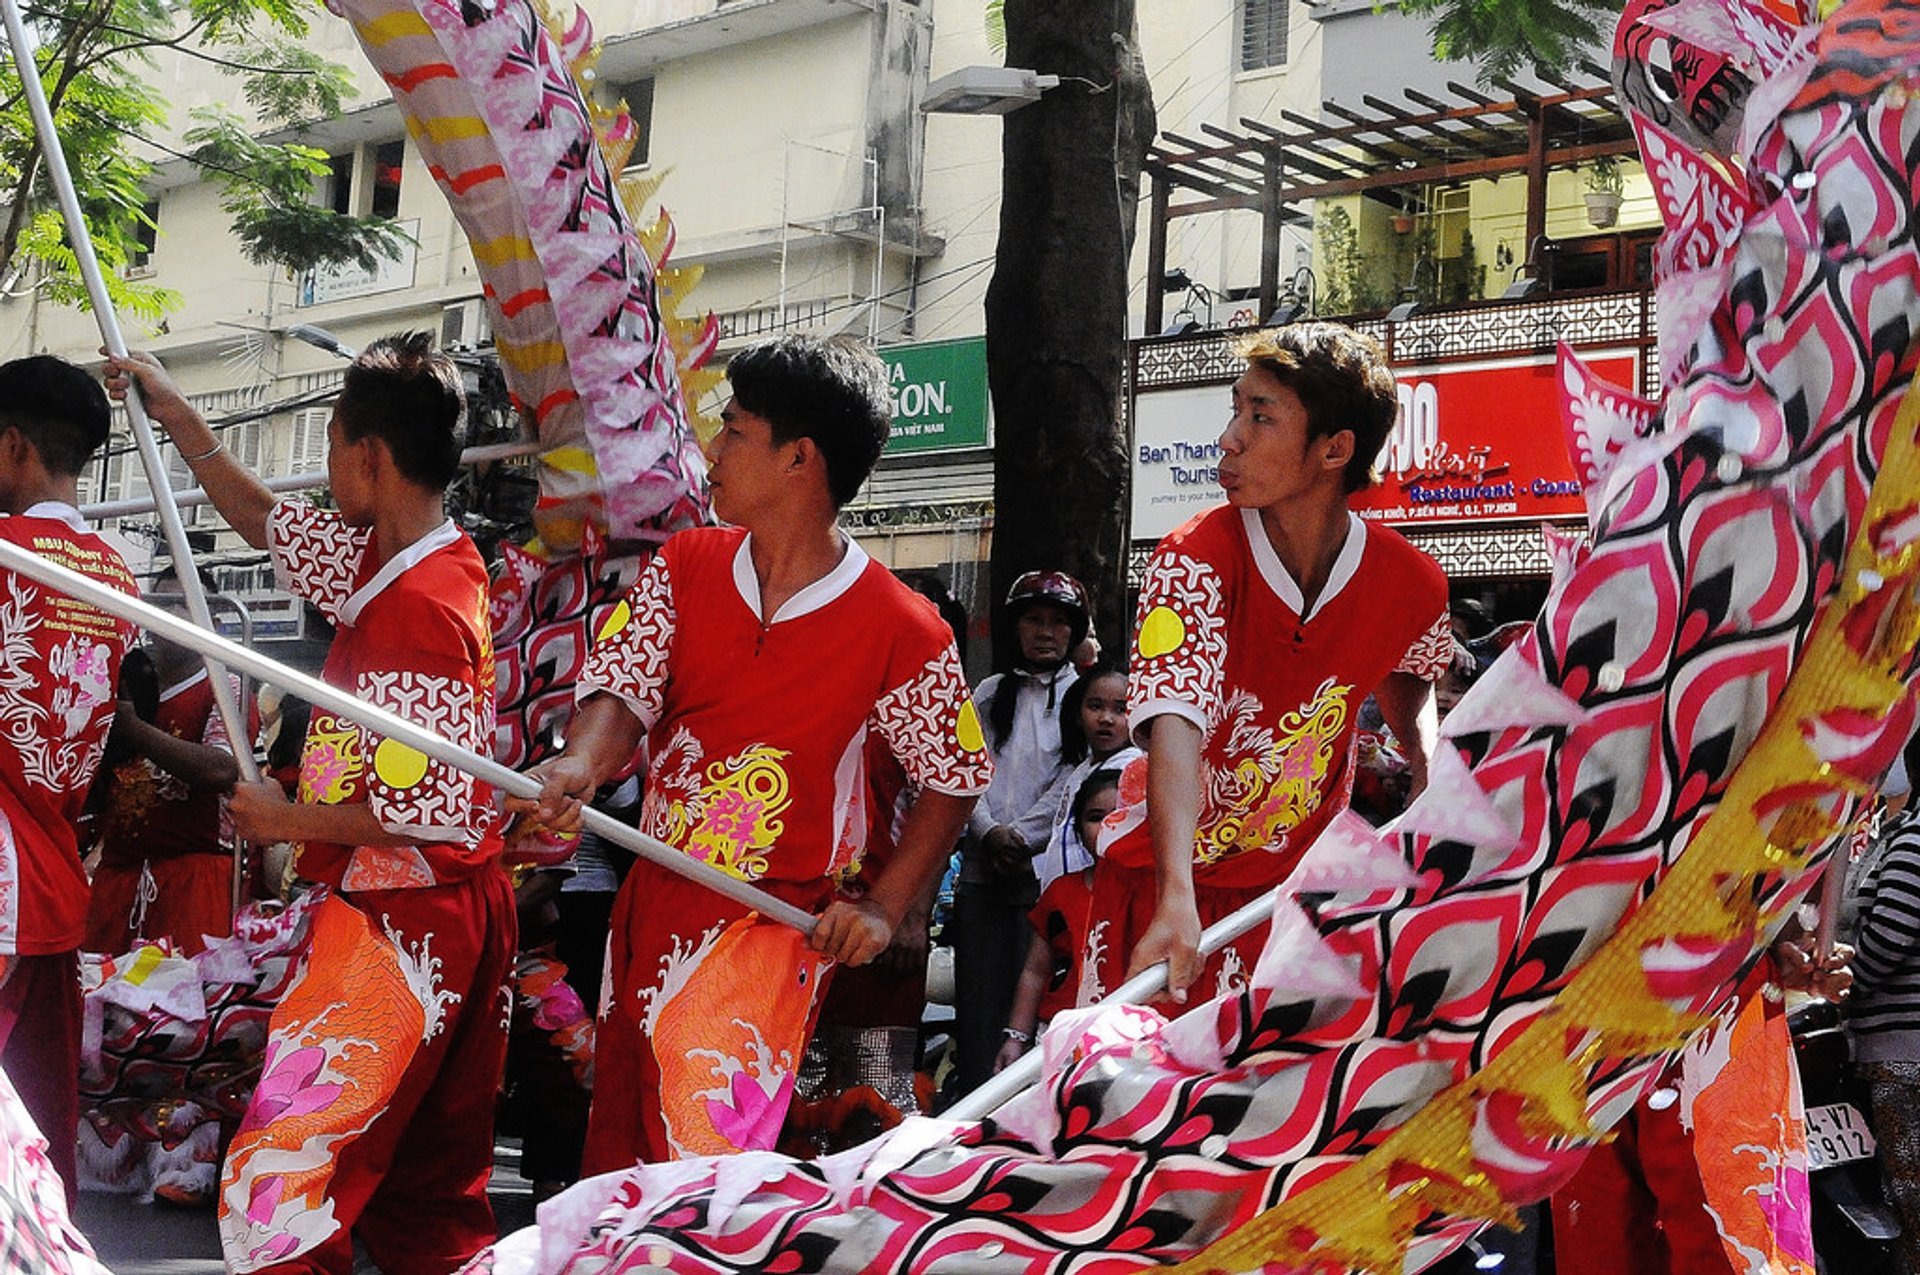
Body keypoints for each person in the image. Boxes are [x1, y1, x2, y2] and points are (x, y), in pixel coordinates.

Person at [518, 334, 991, 1170]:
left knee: (700, 1158)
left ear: (798, 458)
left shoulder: (903, 626)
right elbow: (625, 692)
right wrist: (578, 764)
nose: (711, 452)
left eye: (733, 430)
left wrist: (885, 905)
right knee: (624, 1149)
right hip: (651, 899)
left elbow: (953, 779)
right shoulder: (684, 566)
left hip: (770, 926)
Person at [108, 335, 515, 1274]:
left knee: (277, 1174)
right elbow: (263, 521)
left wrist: (287, 818)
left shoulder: (426, 600)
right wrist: (172, 413)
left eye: (331, 446)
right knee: (425, 1198)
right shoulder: (388, 559)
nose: (324, 470)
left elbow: (443, 806)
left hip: (403, 919)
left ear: (368, 455)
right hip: (421, 907)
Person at [1084, 323, 1453, 1008]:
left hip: (1294, 895)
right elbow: (1176, 722)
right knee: (1133, 1106)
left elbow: (1412, 676)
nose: (1229, 436)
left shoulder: (1414, 583)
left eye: (1260, 416)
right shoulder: (1192, 557)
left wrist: (1428, 774)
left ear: (1334, 450)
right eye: (1235, 409)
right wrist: (1176, 898)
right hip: (1163, 888)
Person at [0, 354, 141, 1205]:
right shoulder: (117, 575)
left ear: (13, 444)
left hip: (7, 857)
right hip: (55, 868)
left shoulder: (6, 553)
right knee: (41, 1116)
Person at [951, 571, 1086, 1094]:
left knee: (1036, 998)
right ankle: (973, 1105)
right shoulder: (989, 692)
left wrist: (1022, 835)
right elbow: (964, 768)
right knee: (978, 999)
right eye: (1034, 620)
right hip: (983, 876)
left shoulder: (1081, 697)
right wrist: (986, 831)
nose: (1045, 632)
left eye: (1057, 622)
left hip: (1043, 873)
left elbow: (1075, 776)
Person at [83, 567, 254, 960]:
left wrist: (131, 727)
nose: (172, 613)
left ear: (213, 620)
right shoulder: (128, 682)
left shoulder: (224, 687)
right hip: (119, 879)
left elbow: (221, 769)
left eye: (184, 603)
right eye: (163, 603)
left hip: (192, 881)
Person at [997, 766, 1121, 1073]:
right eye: (1095, 817)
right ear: (1078, 831)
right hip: (1061, 1035)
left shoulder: (1162, 896)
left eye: (1121, 815)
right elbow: (1035, 971)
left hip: (1130, 1036)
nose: (1108, 825)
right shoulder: (1061, 893)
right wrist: (1015, 1038)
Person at [1033, 663, 1137, 892]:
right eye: (1095, 706)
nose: (1106, 719)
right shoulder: (1081, 771)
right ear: (1078, 713)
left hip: (1099, 894)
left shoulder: (1132, 770)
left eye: (1121, 709)